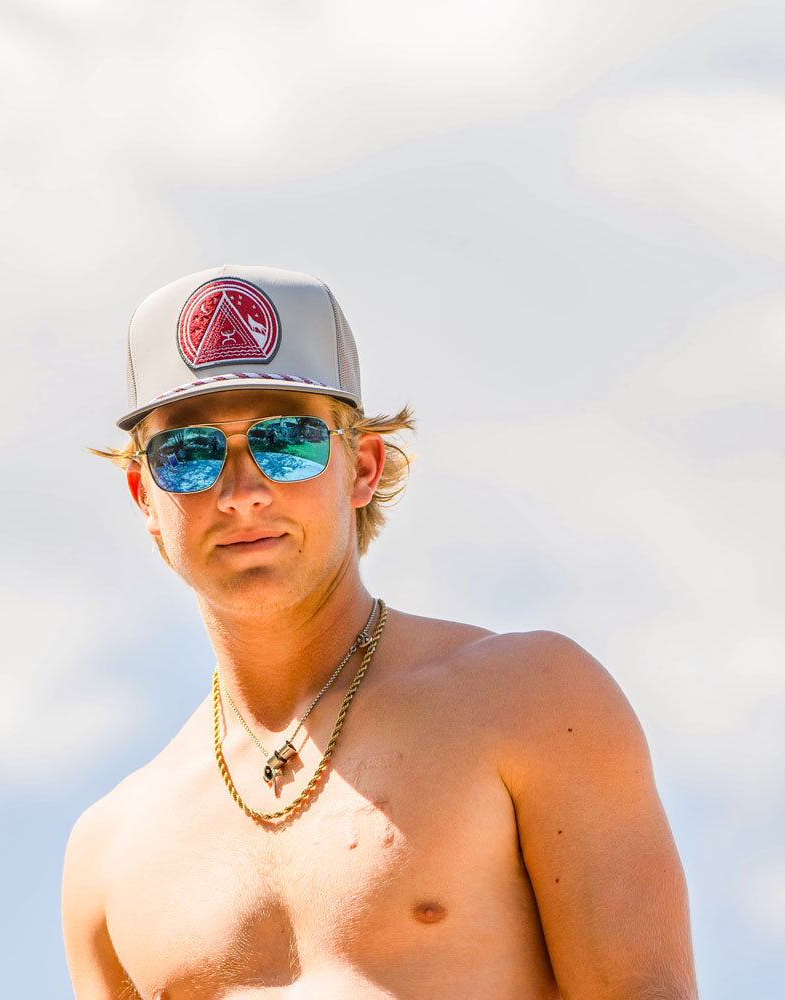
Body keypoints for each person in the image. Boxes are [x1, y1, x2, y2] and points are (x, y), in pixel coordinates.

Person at [62, 265, 697, 999]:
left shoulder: (530, 703)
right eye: (189, 454)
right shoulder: (109, 850)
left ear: (361, 466)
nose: (241, 494)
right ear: (145, 494)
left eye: (287, 441)